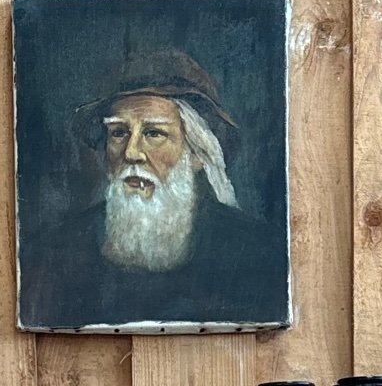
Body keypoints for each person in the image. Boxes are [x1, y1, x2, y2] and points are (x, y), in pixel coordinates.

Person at [17, 48, 289, 331]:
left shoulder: (257, 254)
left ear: (196, 153)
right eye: (119, 133)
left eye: (153, 133)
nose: (132, 153)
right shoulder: (56, 255)